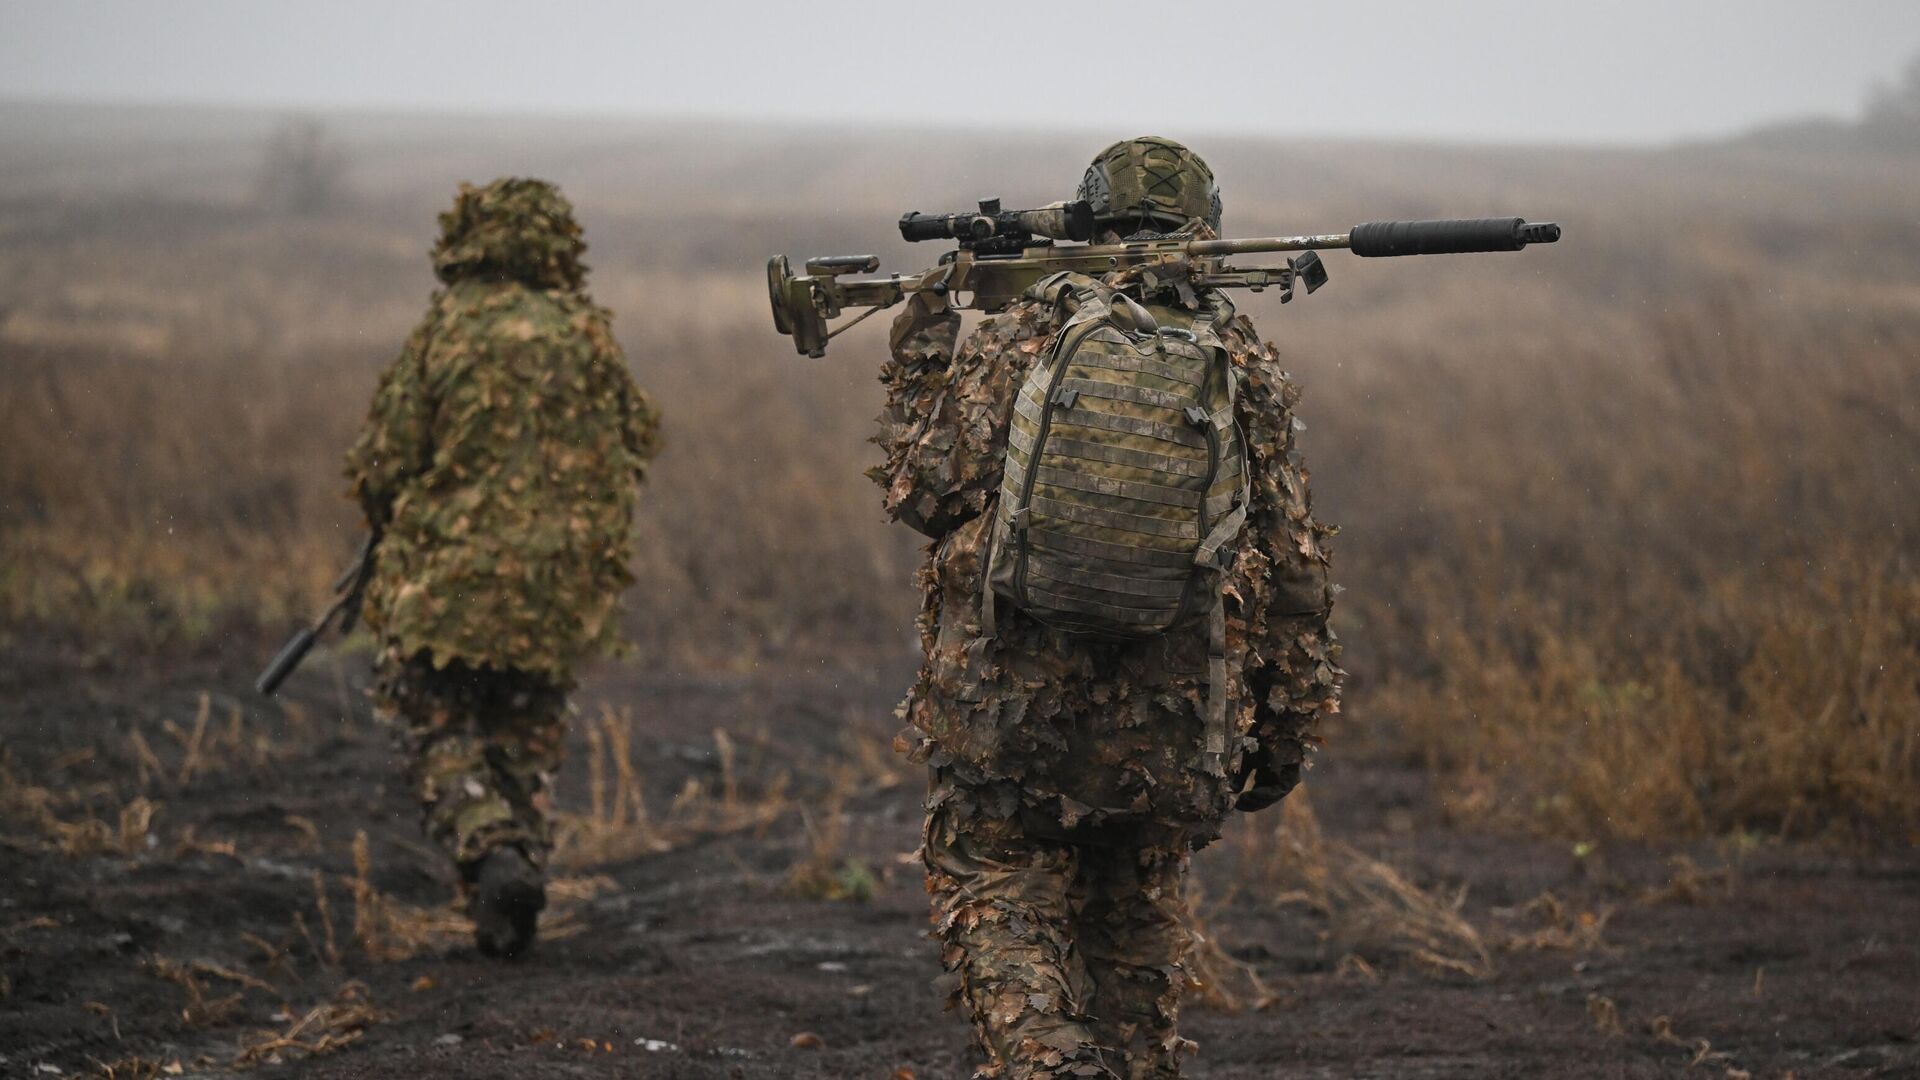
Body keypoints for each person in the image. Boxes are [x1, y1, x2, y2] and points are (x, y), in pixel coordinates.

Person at [874, 137, 1341, 1078]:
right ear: (1203, 228)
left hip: (1008, 712)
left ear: (1089, 217)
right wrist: (1281, 735)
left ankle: (1050, 1058)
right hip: (1171, 724)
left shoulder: (1023, 336)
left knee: (996, 885)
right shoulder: (1239, 359)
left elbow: (925, 497)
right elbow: (1292, 575)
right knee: (1133, 924)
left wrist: (921, 350)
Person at [343, 177, 660, 957]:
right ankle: (511, 899)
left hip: (449, 585)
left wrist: (393, 514)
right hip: (560, 591)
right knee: (523, 737)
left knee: (433, 717)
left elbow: (384, 462)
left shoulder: (447, 330)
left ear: (470, 240)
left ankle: (491, 850)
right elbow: (638, 441)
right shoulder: (588, 332)